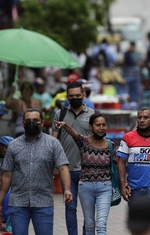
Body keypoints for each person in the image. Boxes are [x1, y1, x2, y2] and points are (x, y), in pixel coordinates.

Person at [0, 108, 73, 235]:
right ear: (23, 123)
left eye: (36, 120)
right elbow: (7, 175)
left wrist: (67, 189)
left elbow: (63, 167)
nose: (32, 123)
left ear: (42, 122)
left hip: (43, 202)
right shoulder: (13, 145)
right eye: (28, 120)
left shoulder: (53, 144)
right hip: (18, 202)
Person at [55, 112, 115, 235]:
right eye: (98, 125)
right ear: (90, 127)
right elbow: (74, 134)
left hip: (105, 187)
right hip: (86, 187)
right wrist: (65, 125)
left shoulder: (110, 145)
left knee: (101, 224)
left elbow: (115, 167)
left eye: (104, 125)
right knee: (89, 224)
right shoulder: (84, 142)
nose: (101, 128)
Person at [52, 81, 95, 235]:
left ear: (83, 95)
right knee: (70, 207)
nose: (75, 98)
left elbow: (98, 141)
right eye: (71, 96)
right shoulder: (60, 114)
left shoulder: (92, 115)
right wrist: (55, 165)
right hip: (67, 170)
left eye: (78, 95)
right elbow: (54, 141)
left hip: (87, 170)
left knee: (88, 208)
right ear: (67, 97)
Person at [117, 107, 150, 205]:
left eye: (146, 117)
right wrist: (122, 184)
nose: (142, 120)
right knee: (138, 220)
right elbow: (121, 162)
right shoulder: (128, 137)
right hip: (134, 188)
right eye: (139, 117)